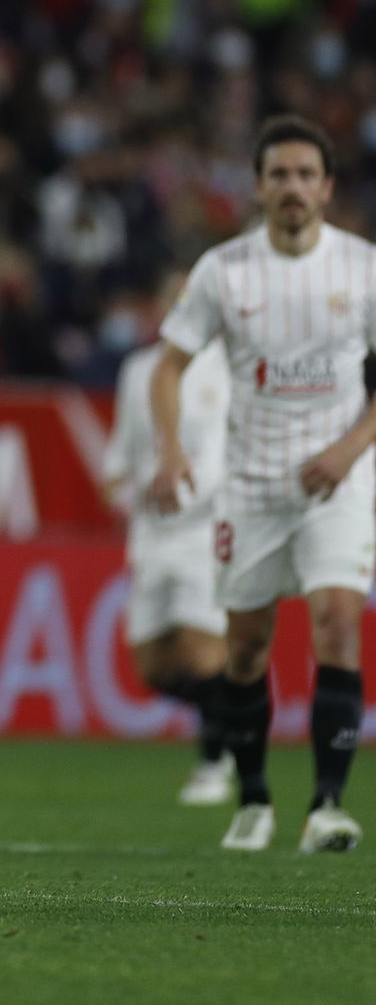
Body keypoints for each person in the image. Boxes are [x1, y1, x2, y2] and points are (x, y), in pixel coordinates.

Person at [150, 114, 373, 853]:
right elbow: (169, 364)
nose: (293, 188)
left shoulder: (362, 267)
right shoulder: (225, 270)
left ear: (327, 188)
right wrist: (172, 451)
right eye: (279, 175)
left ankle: (328, 807)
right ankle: (253, 797)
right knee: (245, 649)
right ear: (258, 187)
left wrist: (348, 450)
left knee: (339, 622)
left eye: (306, 175)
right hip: (250, 485)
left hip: (335, 482)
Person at [101, 271, 232, 805]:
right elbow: (122, 455)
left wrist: (197, 494)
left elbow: (233, 455)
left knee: (203, 654)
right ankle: (239, 707)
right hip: (150, 533)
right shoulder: (138, 371)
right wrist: (123, 494)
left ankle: (215, 764)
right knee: (152, 666)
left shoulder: (228, 370)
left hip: (206, 530)